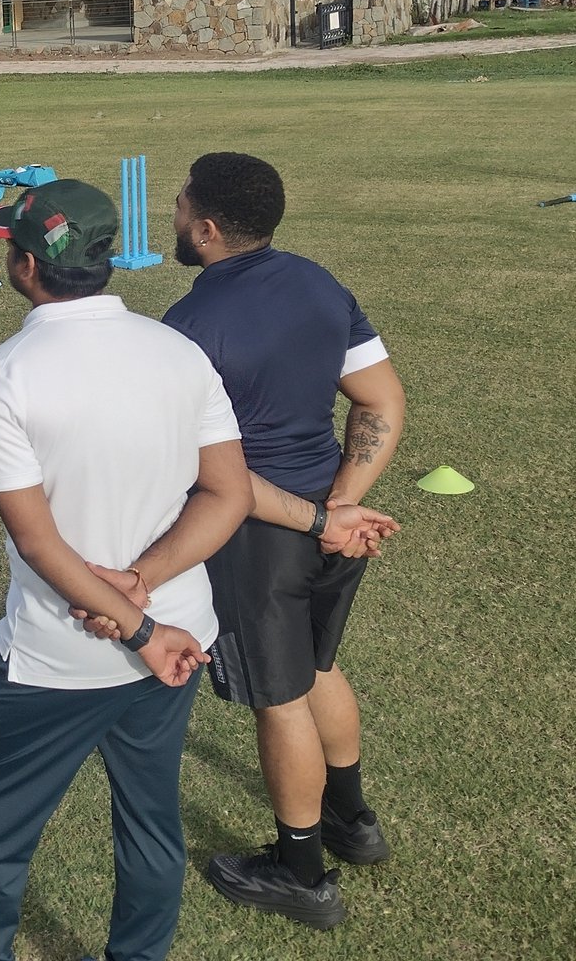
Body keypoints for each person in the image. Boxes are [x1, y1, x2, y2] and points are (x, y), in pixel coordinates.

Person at [0, 180, 253, 961]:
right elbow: (229, 494)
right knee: (151, 823)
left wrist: (137, 620)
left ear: (22, 265)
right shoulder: (176, 349)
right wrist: (146, 587)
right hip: (177, 636)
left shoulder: (4, 373)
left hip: (65, 654)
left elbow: (43, 547)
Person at [145, 152, 407, 930]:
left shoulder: (187, 331)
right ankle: (352, 824)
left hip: (262, 537)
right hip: (332, 515)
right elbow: (382, 399)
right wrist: (344, 506)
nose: (175, 214)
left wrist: (323, 518)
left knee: (281, 695)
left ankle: (301, 873)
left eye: (182, 205)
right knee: (319, 664)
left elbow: (216, 476)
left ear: (210, 229)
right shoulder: (320, 283)